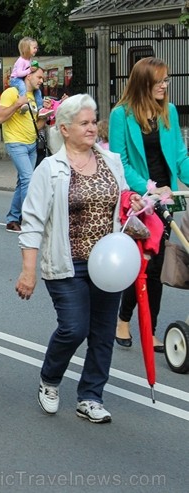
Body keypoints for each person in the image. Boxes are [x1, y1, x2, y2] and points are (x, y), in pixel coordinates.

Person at [15, 94, 145, 423]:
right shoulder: (50, 169)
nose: (92, 128)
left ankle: (90, 397)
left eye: (94, 121)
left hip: (110, 265)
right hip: (67, 264)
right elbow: (31, 223)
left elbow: (125, 198)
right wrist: (28, 272)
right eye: (84, 123)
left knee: (102, 334)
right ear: (65, 128)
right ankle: (50, 378)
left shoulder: (111, 161)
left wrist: (136, 203)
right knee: (73, 329)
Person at [109, 57, 189, 351]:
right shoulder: (122, 115)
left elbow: (180, 157)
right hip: (138, 201)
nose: (165, 86)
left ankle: (150, 331)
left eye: (165, 80)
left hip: (166, 201)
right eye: (160, 81)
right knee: (142, 264)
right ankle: (124, 319)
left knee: (156, 267)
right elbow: (121, 162)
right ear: (144, 83)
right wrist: (150, 188)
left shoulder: (169, 111)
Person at [0, 65, 51, 232]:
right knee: (29, 178)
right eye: (39, 77)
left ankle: (13, 219)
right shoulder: (12, 93)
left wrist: (47, 114)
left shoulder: (34, 97)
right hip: (15, 142)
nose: (42, 81)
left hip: (31, 144)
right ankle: (29, 219)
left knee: (22, 182)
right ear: (28, 76)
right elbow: (0, 118)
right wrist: (18, 104)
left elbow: (37, 125)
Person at [9, 37, 52, 119]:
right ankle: (22, 103)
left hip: (22, 78)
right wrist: (29, 70)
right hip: (15, 79)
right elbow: (18, 73)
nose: (36, 50)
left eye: (37, 48)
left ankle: (40, 109)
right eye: (34, 48)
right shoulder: (21, 60)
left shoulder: (29, 60)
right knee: (22, 86)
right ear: (26, 49)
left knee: (38, 91)